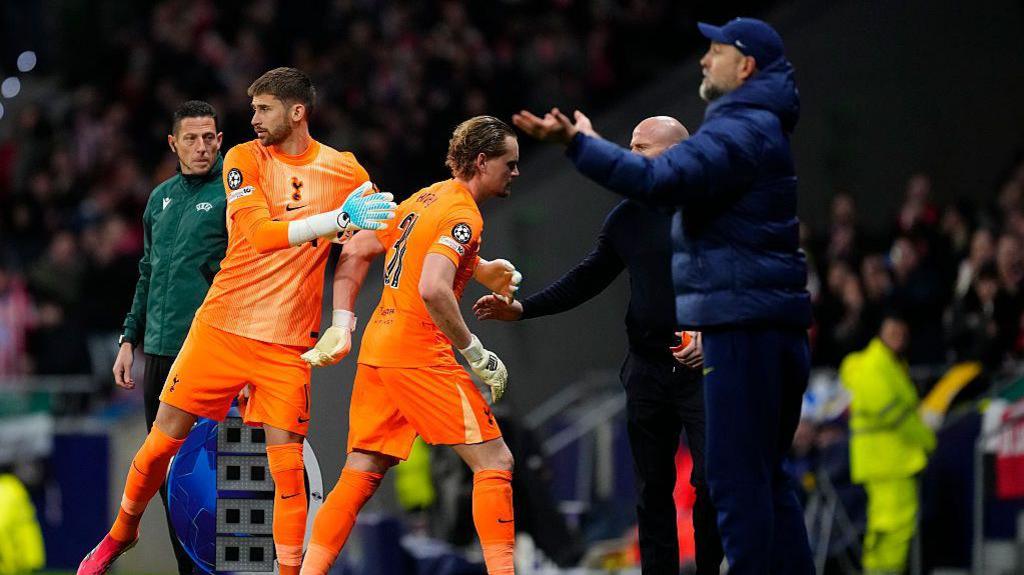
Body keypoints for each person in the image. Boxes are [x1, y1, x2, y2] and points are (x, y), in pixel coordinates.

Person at [512, 17, 814, 573]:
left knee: (732, 483)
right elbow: (594, 270)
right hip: (751, 329)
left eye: (716, 51)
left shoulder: (740, 129)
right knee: (763, 482)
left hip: (741, 332)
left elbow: (654, 182)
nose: (703, 60)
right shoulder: (758, 128)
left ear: (744, 66)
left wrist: (581, 144)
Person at [77, 67, 396, 575]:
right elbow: (262, 234)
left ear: (297, 112)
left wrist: (343, 318)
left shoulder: (345, 172)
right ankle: (121, 535)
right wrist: (339, 220)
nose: (253, 119)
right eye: (252, 110)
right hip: (221, 328)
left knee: (287, 469)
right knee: (160, 444)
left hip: (288, 344)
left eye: (263, 109)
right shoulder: (243, 158)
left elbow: (376, 236)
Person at [473, 115, 724, 574]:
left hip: (702, 370)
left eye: (640, 148)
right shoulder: (628, 217)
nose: (629, 156)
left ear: (675, 155)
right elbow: (588, 277)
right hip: (648, 368)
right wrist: (524, 309)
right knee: (651, 491)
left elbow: (740, 280)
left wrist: (714, 332)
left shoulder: (709, 209)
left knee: (711, 481)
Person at [297, 115, 522, 575]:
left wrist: (343, 321)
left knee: (360, 472)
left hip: (380, 347)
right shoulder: (464, 214)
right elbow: (434, 288)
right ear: (482, 162)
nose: (516, 172)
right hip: (420, 351)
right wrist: (476, 352)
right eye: (509, 163)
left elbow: (358, 250)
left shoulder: (426, 196)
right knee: (495, 460)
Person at [111, 100, 228, 574]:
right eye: (192, 138)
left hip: (206, 354)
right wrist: (127, 340)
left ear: (220, 141)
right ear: (173, 143)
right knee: (163, 476)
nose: (202, 147)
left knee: (213, 473)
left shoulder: (232, 196)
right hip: (157, 354)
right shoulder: (158, 199)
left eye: (209, 138)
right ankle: (188, 569)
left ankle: (222, 567)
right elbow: (147, 272)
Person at [839, 314, 935, 575]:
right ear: (881, 330)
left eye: (902, 332)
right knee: (893, 527)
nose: (899, 336)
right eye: (893, 330)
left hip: (890, 460)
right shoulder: (875, 365)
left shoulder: (890, 364)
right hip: (888, 461)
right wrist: (928, 440)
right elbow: (896, 415)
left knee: (886, 527)